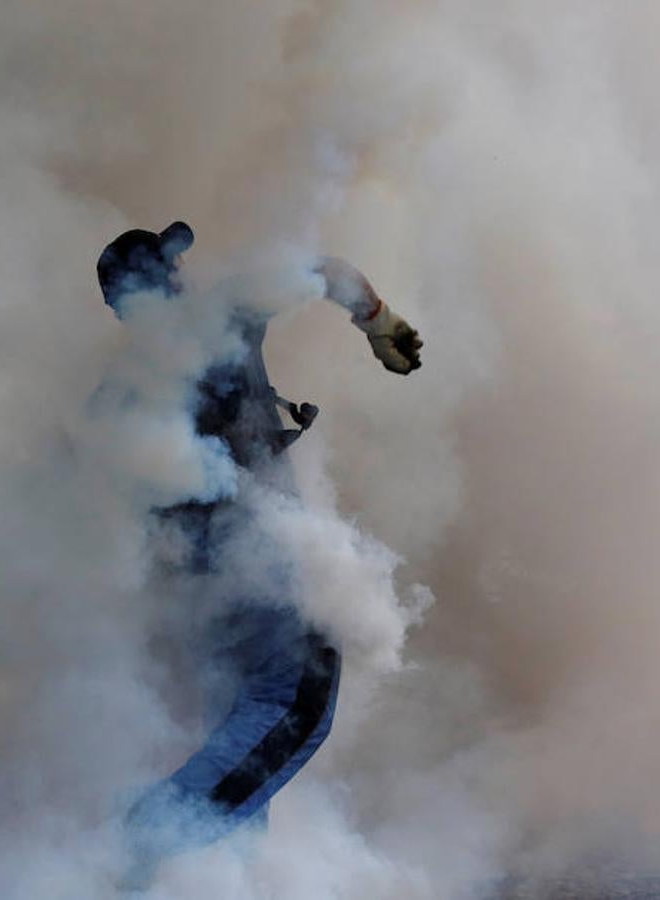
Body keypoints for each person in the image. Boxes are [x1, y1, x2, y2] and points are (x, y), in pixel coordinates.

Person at [96, 222, 421, 887]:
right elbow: (324, 269)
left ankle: (211, 883)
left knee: (239, 755)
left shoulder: (115, 395)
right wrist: (383, 325)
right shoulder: (220, 318)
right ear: (169, 279)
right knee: (290, 709)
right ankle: (133, 853)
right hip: (264, 577)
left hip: (201, 603)